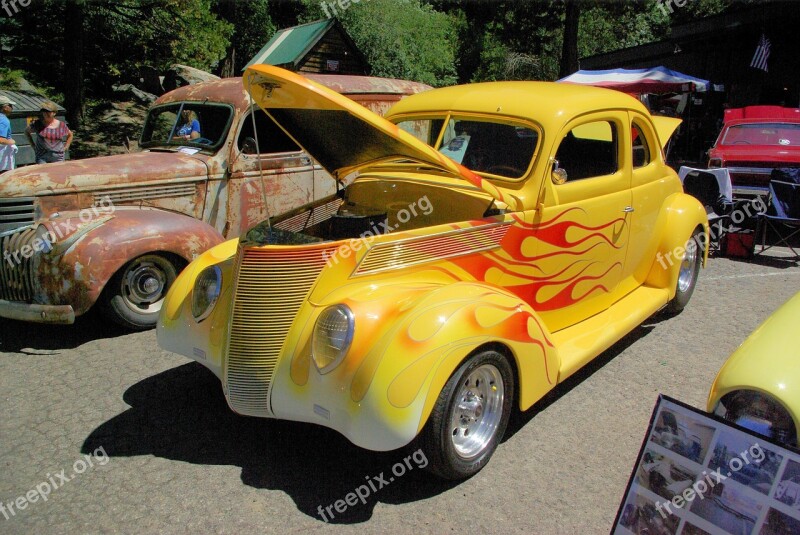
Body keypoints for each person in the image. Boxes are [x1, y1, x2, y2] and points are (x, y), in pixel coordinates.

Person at [0, 95, 18, 173]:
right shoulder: (4, 120)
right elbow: (1, 139)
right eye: (10, 105)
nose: (12, 107)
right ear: (5, 107)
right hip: (3, 155)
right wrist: (12, 142)